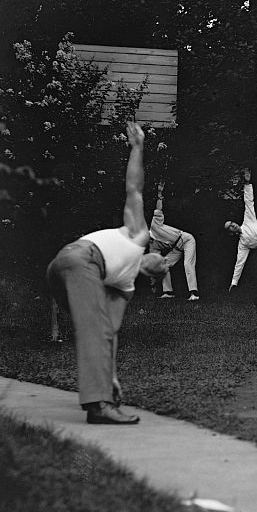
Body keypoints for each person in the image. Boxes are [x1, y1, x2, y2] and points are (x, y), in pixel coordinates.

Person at [45, 122, 169, 425]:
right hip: (78, 260)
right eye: (163, 257)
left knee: (97, 330)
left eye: (165, 267)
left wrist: (110, 376)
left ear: (151, 277)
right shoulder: (138, 235)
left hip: (66, 271)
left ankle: (101, 392)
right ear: (152, 250)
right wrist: (137, 148)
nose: (164, 261)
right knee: (95, 330)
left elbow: (109, 335)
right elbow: (134, 189)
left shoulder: (124, 287)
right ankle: (98, 405)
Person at [224, 167, 257, 292]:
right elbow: (239, 263)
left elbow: (248, 201)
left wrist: (247, 183)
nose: (234, 225)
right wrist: (234, 282)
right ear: (231, 234)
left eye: (232, 223)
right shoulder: (242, 244)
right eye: (230, 227)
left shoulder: (248, 220)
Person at [149, 180, 200, 301]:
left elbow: (158, 210)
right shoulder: (152, 247)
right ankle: (168, 292)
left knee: (188, 264)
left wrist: (159, 194)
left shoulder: (154, 226)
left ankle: (194, 293)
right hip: (177, 248)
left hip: (186, 240)